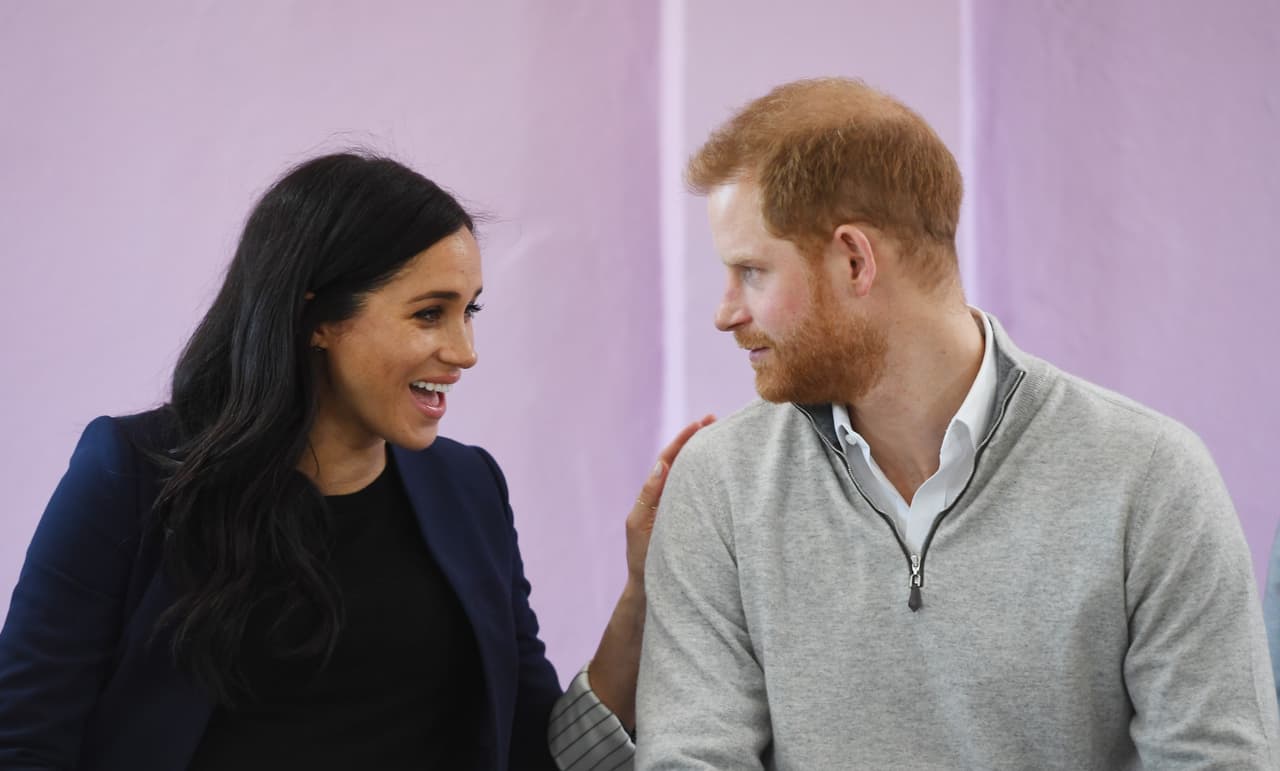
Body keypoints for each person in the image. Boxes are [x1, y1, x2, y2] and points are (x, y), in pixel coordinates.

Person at [636, 78, 1280, 768]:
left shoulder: (1151, 478)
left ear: (855, 259)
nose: (727, 311)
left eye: (752, 271)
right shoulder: (717, 488)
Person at [0, 152, 710, 770]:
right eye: (430, 313)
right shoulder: (132, 472)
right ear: (317, 318)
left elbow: (534, 751)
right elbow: (25, 737)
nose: (464, 351)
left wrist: (643, 591)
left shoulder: (470, 489)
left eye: (470, 312)